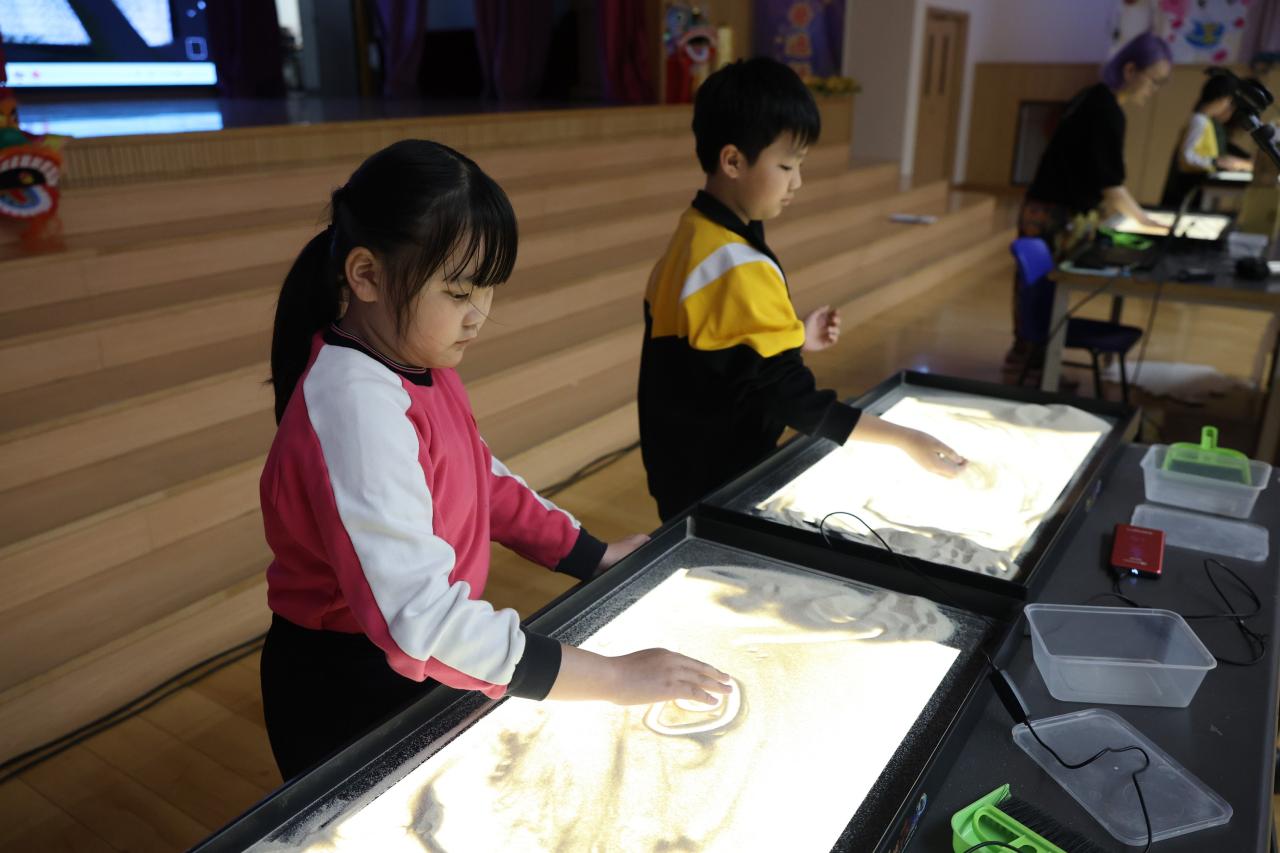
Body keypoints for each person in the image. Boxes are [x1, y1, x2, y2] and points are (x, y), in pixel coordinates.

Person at [259, 140, 731, 780]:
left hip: (413, 656)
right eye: (458, 292)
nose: (478, 316)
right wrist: (615, 678)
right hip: (347, 687)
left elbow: (477, 477)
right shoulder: (355, 405)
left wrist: (589, 555)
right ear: (366, 275)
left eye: (487, 289)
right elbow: (423, 621)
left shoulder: (414, 362)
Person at [637, 58, 966, 523]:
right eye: (786, 165)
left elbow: (720, 352)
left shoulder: (695, 232)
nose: (797, 182)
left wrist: (795, 336)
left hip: (682, 469)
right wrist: (906, 439)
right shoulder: (734, 264)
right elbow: (791, 398)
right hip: (719, 479)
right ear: (733, 161)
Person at [1010, 32, 1173, 369]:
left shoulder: (1092, 96)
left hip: (1048, 205)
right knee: (1044, 291)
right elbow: (1111, 184)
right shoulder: (1105, 110)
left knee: (1038, 292)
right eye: (1153, 80)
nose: (1153, 90)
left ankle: (1031, 361)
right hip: (1057, 212)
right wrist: (1146, 221)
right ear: (1130, 70)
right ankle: (1034, 365)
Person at [1160, 73, 1254, 207]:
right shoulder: (1199, 120)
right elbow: (1186, 156)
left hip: (1197, 183)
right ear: (1222, 99)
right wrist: (1214, 162)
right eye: (1229, 102)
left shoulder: (1207, 122)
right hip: (1188, 185)